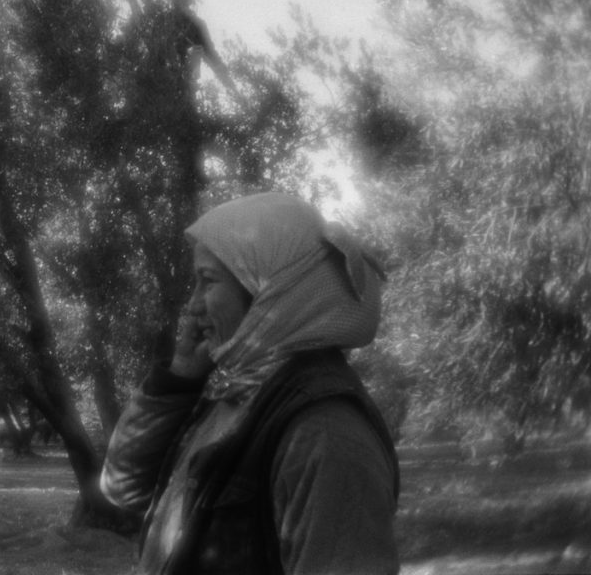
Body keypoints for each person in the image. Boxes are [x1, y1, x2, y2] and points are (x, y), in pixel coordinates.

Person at [100, 192, 400, 575]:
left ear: (268, 291)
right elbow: (123, 487)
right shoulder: (235, 389)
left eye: (207, 281)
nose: (192, 306)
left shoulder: (325, 435)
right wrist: (179, 377)